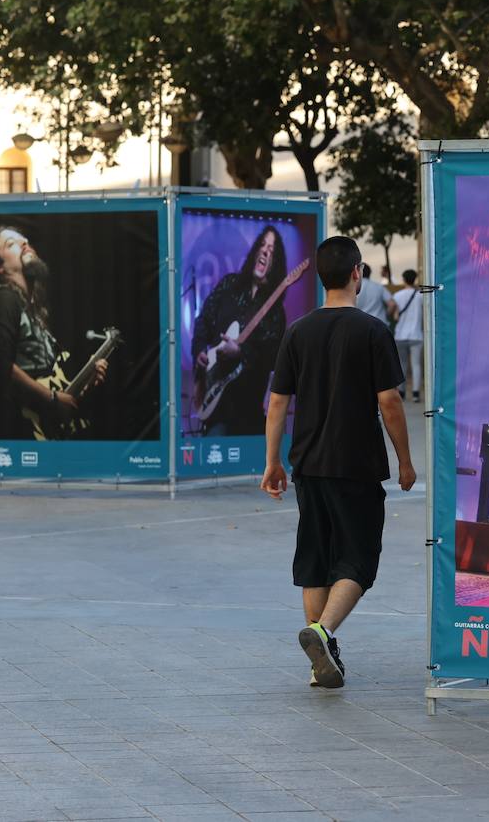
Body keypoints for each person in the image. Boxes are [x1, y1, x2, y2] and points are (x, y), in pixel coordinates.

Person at [260, 236, 415, 689]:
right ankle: (323, 633)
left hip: (308, 465)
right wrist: (404, 460)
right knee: (358, 559)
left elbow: (277, 404)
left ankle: (321, 658)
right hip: (357, 465)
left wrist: (273, 463)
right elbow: (389, 402)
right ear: (357, 274)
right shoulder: (372, 331)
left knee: (317, 559)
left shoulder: (297, 331)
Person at [0, 226, 107, 439]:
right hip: (25, 434)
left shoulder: (31, 307)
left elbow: (49, 380)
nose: (24, 243)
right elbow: (0, 364)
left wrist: (86, 382)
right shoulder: (4, 298)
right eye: (11, 244)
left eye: (24, 240)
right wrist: (52, 398)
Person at [191, 225, 288, 435]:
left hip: (248, 411)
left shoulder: (275, 312)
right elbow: (204, 320)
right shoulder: (229, 285)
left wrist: (241, 353)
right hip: (216, 403)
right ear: (254, 251)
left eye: (272, 250)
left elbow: (272, 358)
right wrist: (199, 350)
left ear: (276, 263)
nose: (265, 251)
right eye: (263, 245)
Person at [392, 269, 423, 403]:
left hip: (400, 335)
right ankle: (416, 393)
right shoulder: (420, 295)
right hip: (416, 335)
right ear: (415, 279)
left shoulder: (397, 296)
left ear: (404, 279)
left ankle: (402, 392)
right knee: (416, 365)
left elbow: (394, 315)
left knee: (402, 364)